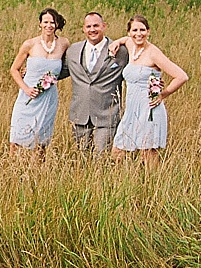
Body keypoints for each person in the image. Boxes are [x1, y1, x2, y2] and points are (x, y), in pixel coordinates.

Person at [110, 15, 189, 161]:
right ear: (129, 32)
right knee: (117, 152)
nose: (138, 34)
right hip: (131, 111)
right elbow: (125, 40)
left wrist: (162, 95)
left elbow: (181, 76)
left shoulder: (153, 53)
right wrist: (116, 42)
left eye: (142, 30)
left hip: (149, 109)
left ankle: (152, 182)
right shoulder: (130, 45)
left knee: (147, 154)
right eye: (134, 30)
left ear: (148, 31)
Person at [61, 11, 127, 155]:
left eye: (96, 26)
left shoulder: (121, 51)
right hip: (80, 114)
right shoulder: (73, 50)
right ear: (83, 29)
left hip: (107, 115)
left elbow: (139, 45)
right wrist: (32, 71)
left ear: (104, 26)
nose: (92, 30)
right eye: (88, 26)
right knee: (82, 158)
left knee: (101, 158)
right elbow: (59, 71)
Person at [8, 8, 70, 155]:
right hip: (28, 95)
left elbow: (69, 66)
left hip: (48, 97)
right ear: (40, 24)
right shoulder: (30, 44)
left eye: (52, 22)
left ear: (56, 24)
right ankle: (12, 167)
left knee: (41, 138)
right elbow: (14, 69)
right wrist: (26, 89)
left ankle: (38, 170)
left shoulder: (63, 43)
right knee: (17, 136)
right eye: (45, 22)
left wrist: (54, 78)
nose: (49, 25)